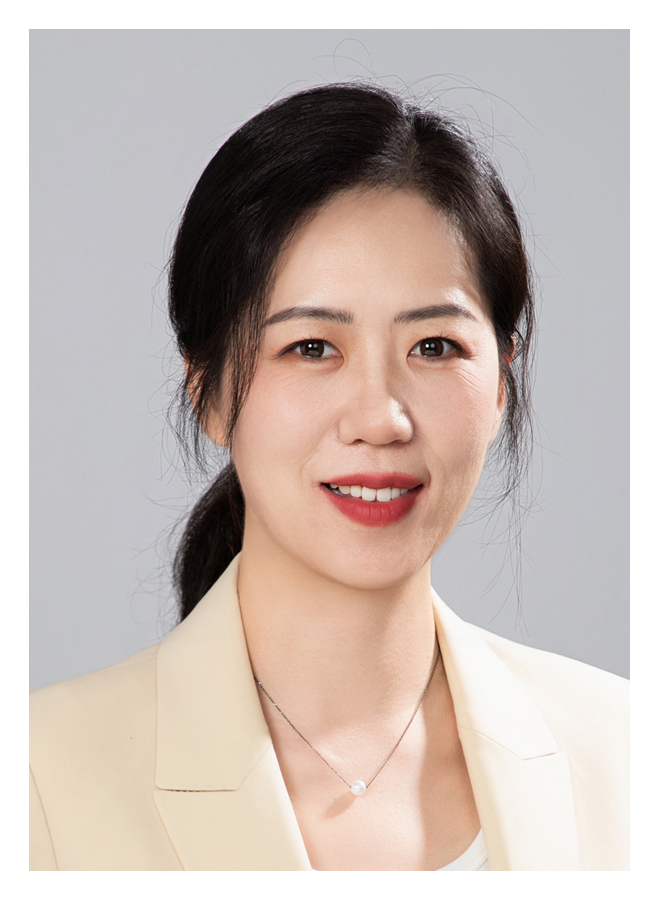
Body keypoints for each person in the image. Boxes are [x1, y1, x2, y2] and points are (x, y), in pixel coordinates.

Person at [29, 83, 628, 871]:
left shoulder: (626, 757)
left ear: (499, 384)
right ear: (206, 392)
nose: (380, 418)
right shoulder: (37, 777)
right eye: (311, 347)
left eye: (434, 347)